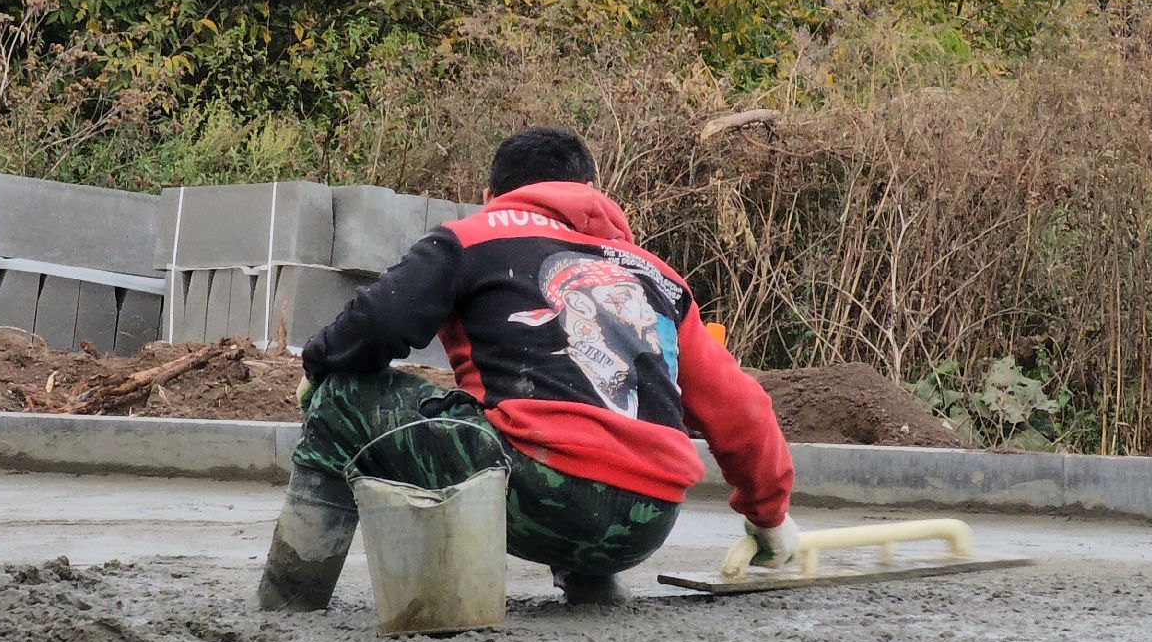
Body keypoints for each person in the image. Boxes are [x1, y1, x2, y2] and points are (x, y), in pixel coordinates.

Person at [254, 126, 798, 609]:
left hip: (533, 493)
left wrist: (320, 365)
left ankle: (290, 598)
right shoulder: (659, 278)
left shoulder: (474, 236)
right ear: (594, 196)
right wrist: (768, 519)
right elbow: (745, 411)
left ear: (490, 196)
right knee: (587, 413)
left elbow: (376, 324)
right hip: (646, 522)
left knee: (341, 395)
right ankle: (593, 586)